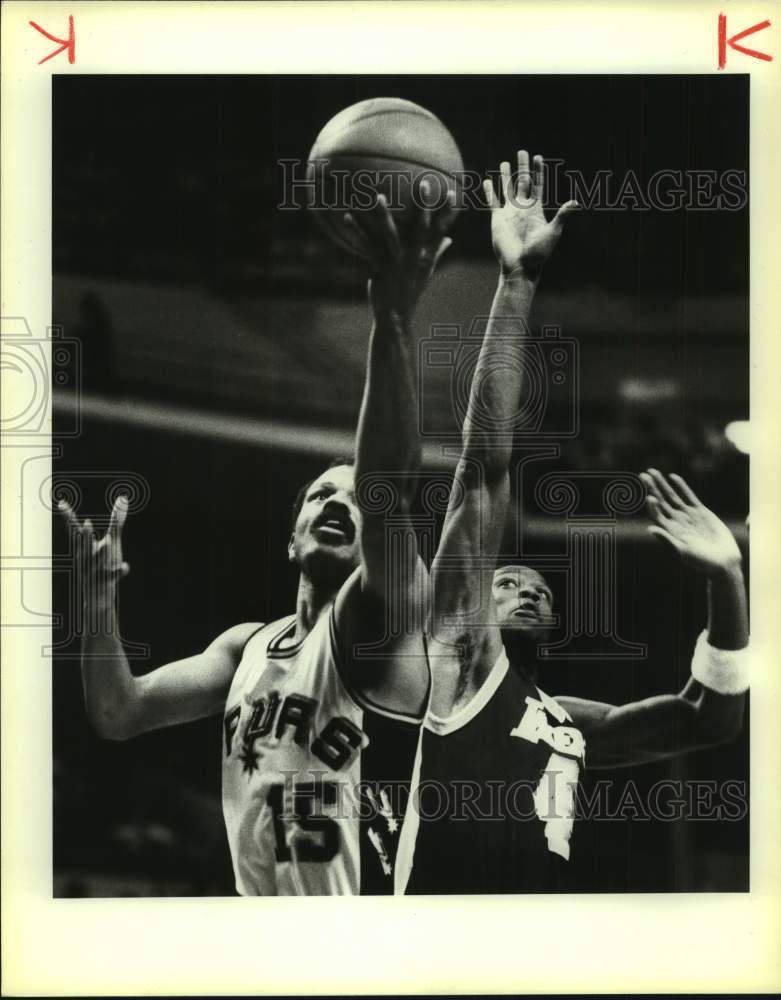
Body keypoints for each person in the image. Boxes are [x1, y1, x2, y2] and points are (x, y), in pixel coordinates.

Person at [59, 183, 455, 895]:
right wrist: (95, 612)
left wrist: (391, 320)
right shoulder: (246, 647)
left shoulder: (379, 617)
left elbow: (384, 482)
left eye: (350, 499)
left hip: (358, 934)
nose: (338, 503)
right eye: (317, 495)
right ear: (291, 539)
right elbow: (119, 713)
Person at [397, 152, 748, 894]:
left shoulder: (566, 719)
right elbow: (483, 468)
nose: (525, 592)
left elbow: (706, 722)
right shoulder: (454, 660)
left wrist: (727, 581)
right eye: (507, 584)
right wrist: (516, 283)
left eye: (537, 590)